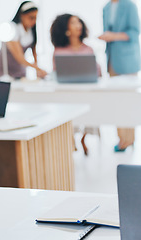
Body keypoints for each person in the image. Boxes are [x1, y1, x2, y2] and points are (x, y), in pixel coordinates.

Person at [50, 13, 102, 156]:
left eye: (79, 22)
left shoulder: (88, 49)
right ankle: (70, 138)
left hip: (88, 92)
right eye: (73, 23)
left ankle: (84, 138)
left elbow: (97, 72)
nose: (78, 25)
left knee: (93, 108)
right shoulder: (59, 51)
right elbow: (56, 73)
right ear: (66, 28)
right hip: (67, 94)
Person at [98, 0, 141, 152]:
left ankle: (129, 139)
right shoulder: (106, 8)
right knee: (117, 101)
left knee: (128, 100)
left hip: (128, 61)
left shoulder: (130, 6)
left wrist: (113, 36)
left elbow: (134, 33)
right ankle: (122, 138)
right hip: (112, 60)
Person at [0, 1, 47, 80]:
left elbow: (34, 52)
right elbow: (19, 57)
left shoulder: (31, 31)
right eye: (31, 17)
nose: (34, 21)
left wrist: (38, 71)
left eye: (36, 18)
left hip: (19, 68)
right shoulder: (13, 29)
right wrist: (37, 68)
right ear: (22, 15)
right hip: (5, 69)